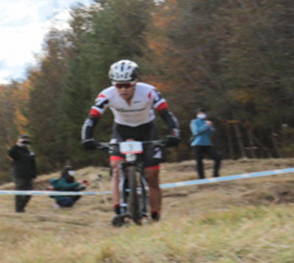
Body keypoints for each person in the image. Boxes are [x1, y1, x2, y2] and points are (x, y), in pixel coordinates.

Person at [79, 59, 181, 223]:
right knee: (117, 169)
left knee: (152, 176)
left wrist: (174, 133)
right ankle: (118, 210)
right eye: (119, 85)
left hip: (147, 131)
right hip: (121, 131)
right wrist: (87, 138)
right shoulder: (107, 95)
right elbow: (92, 119)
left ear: (135, 82)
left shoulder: (149, 92)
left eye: (127, 84)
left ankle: (155, 215)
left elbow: (167, 115)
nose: (123, 89)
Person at [7, 134, 39, 213]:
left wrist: (34, 176)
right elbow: (10, 153)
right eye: (23, 139)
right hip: (19, 175)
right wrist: (18, 144)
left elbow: (33, 164)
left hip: (29, 175)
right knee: (19, 192)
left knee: (29, 193)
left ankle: (22, 206)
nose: (25, 141)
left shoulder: (30, 152)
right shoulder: (16, 151)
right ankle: (18, 209)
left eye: (27, 140)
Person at [190, 107, 220, 180]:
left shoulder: (206, 122)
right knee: (199, 161)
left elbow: (211, 132)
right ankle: (201, 177)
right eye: (200, 113)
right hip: (197, 144)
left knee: (217, 158)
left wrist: (210, 127)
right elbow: (196, 131)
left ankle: (215, 174)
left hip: (207, 143)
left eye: (203, 113)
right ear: (197, 114)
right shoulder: (194, 122)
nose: (202, 114)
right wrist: (206, 126)